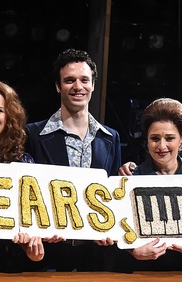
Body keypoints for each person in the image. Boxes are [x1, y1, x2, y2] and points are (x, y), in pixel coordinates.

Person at [25, 48, 122, 270]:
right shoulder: (33, 135)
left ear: (93, 85)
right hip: (47, 256)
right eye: (69, 80)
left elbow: (113, 196)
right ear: (58, 86)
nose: (77, 86)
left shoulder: (110, 138)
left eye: (84, 80)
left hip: (96, 258)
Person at [0, 79, 62, 270]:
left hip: (11, 270)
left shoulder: (23, 163)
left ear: (9, 116)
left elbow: (33, 221)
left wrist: (32, 244)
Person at [123, 98, 182, 268]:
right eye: (155, 138)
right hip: (141, 271)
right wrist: (133, 251)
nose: (162, 145)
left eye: (169, 138)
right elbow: (122, 231)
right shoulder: (131, 179)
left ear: (181, 139)